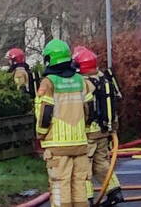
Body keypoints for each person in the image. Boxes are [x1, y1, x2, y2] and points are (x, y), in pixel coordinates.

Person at [35, 39, 93, 207]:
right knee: (79, 186)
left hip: (57, 146)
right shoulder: (81, 81)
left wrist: (41, 134)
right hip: (80, 143)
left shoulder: (49, 83)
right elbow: (89, 110)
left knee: (60, 186)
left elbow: (45, 113)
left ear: (50, 59)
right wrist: (85, 131)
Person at [72, 46, 124, 206]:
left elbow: (82, 108)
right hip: (104, 130)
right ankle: (115, 192)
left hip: (88, 132)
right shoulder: (104, 78)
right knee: (101, 162)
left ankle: (86, 199)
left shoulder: (83, 82)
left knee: (84, 166)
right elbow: (117, 99)